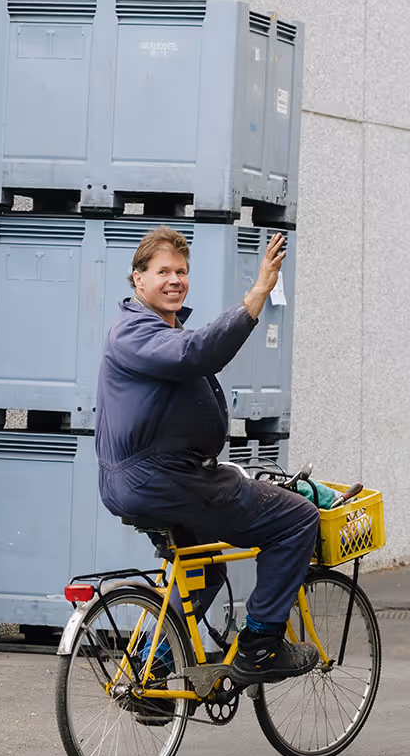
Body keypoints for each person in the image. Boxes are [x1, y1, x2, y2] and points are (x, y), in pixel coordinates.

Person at [95, 225, 320, 685]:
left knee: (203, 568)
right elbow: (197, 353)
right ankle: (260, 647)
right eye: (163, 272)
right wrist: (257, 293)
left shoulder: (159, 330)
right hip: (162, 481)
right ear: (138, 280)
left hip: (158, 480)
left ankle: (150, 673)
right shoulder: (135, 332)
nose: (175, 279)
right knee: (297, 519)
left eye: (181, 271)